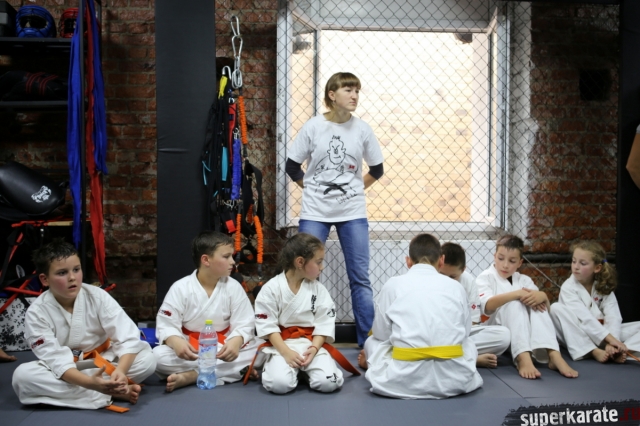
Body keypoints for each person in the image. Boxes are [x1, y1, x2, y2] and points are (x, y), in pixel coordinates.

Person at [285, 72, 385, 347]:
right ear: (332, 94)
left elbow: (377, 169)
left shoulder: (362, 129)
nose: (354, 96)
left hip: (352, 213)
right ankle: (301, 338)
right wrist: (311, 188)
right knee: (302, 272)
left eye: (357, 91)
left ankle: (368, 345)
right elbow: (292, 166)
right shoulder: (313, 126)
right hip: (314, 213)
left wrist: (355, 189)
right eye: (348, 90)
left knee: (360, 278)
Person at [12, 240, 155, 411]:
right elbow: (56, 361)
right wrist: (90, 383)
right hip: (68, 368)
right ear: (44, 279)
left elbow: (128, 338)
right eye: (62, 273)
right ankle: (108, 391)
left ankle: (104, 387)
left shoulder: (97, 296)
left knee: (147, 360)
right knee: (22, 377)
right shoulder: (37, 313)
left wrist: (121, 372)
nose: (72, 278)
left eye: (76, 269)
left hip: (104, 360)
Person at [360, 233, 482, 399]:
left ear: (408, 261)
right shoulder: (456, 287)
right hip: (455, 380)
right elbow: (465, 332)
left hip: (402, 380)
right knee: (468, 343)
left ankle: (372, 365)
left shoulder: (393, 285)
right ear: (441, 260)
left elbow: (381, 333)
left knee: (372, 341)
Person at [153, 231, 261, 392]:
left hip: (224, 347)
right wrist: (176, 342)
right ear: (206, 260)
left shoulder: (233, 287)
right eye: (226, 257)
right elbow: (166, 325)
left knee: (262, 350)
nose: (233, 262)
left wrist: (237, 341)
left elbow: (245, 323)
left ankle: (193, 375)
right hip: (193, 349)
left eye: (232, 256)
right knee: (156, 357)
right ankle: (234, 371)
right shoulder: (180, 288)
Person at [253, 233, 358, 394]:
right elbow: (267, 326)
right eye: (319, 262)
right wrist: (286, 352)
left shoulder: (318, 289)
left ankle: (304, 372)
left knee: (329, 383)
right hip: (282, 344)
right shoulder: (271, 288)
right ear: (300, 262)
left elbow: (324, 323)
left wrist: (314, 348)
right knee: (279, 385)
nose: (322, 267)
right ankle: (294, 371)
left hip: (311, 343)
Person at [476, 235, 578, 380]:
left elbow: (544, 311)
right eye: (501, 258)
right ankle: (523, 358)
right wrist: (517, 294)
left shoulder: (524, 280)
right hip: (499, 331)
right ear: (494, 256)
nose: (505, 265)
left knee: (537, 303)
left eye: (512, 261)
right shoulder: (485, 277)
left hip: (525, 333)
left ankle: (554, 354)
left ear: (520, 263)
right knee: (515, 303)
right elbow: (487, 306)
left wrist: (543, 296)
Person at [550, 242, 640, 363]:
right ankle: (593, 351)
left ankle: (621, 350)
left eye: (582, 263)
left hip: (604, 333)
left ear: (597, 268)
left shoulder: (603, 286)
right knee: (555, 308)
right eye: (574, 261)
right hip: (578, 334)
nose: (576, 267)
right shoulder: (568, 287)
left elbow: (613, 316)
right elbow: (585, 319)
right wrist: (610, 339)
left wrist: (613, 341)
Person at [439, 242, 510, 368]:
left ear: (463, 269)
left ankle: (456, 356)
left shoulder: (468, 280)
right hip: (438, 333)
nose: (447, 280)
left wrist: (458, 333)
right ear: (437, 265)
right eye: (443, 275)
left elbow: (473, 321)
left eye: (453, 276)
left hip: (460, 334)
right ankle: (470, 358)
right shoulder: (431, 280)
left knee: (504, 336)